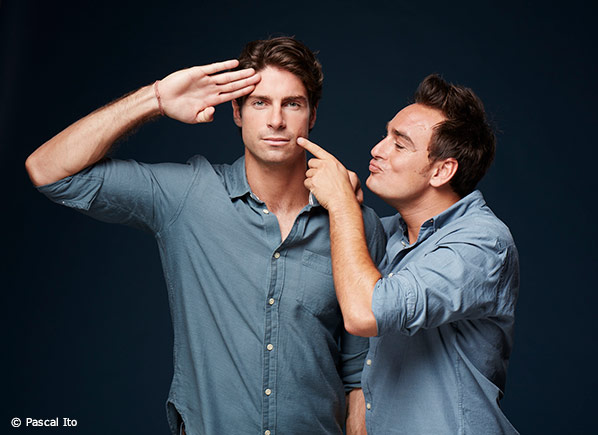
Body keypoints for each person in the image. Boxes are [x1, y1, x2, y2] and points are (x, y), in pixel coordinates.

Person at [25, 36, 385, 435]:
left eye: (292, 104)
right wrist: (155, 98)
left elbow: (359, 370)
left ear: (312, 114)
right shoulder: (189, 196)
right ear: (237, 111)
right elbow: (48, 171)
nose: (276, 120)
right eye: (260, 103)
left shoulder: (354, 222)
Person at [297, 74, 520, 434]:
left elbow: (366, 313)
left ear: (442, 171)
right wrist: (352, 215)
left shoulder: (482, 243)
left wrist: (341, 206)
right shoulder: (387, 235)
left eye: (399, 145)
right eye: (386, 135)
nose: (377, 149)